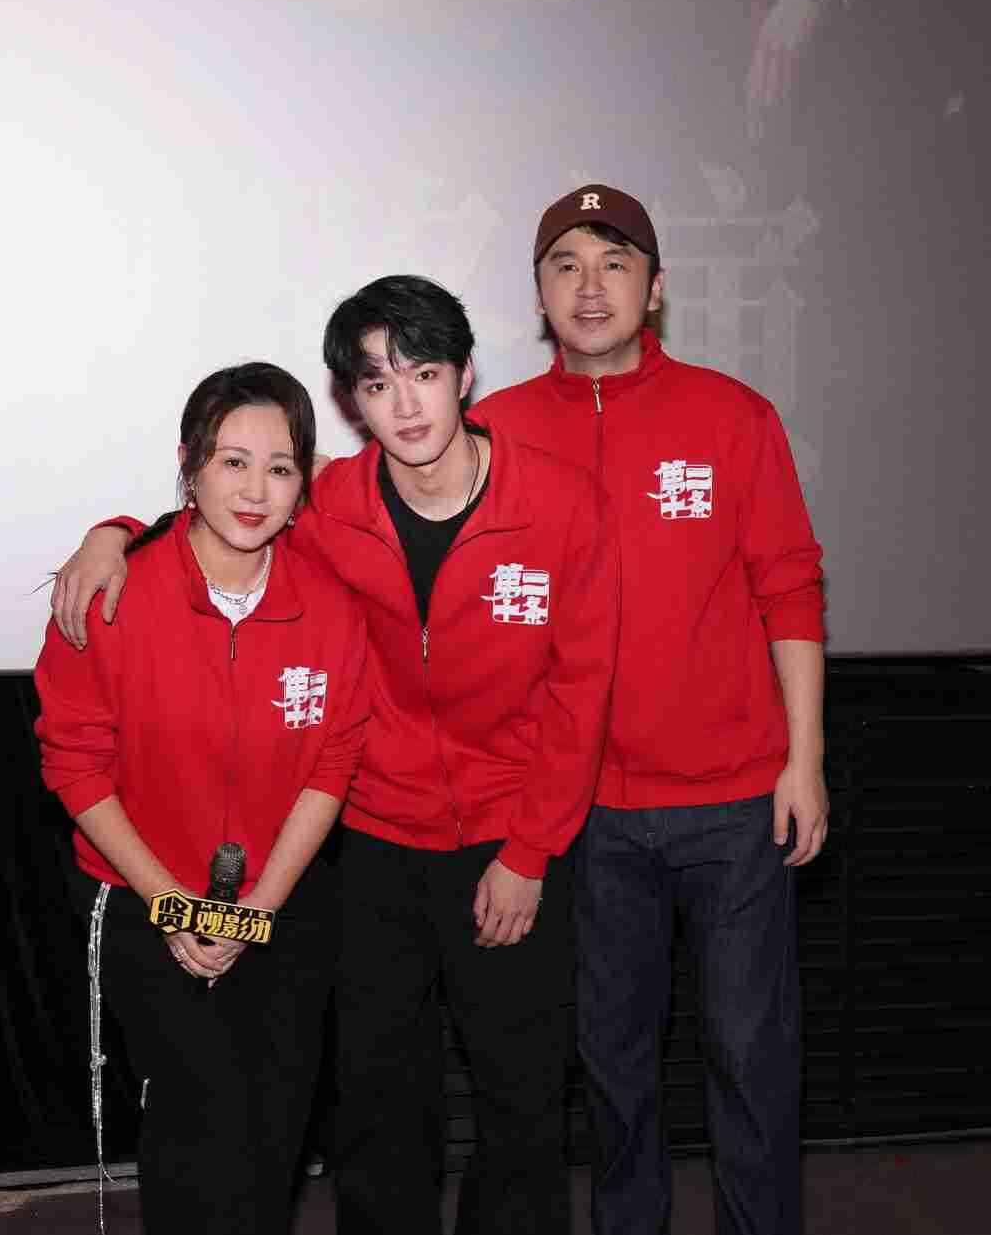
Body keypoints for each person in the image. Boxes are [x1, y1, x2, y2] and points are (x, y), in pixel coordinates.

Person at [52, 276, 619, 1235]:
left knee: (521, 1098)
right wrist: (109, 535)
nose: (406, 405)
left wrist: (530, 851)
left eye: (424, 373)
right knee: (378, 1102)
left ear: (465, 375)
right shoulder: (329, 505)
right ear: (354, 402)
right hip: (374, 845)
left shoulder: (560, 503)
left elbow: (582, 691)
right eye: (377, 383)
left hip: (512, 839)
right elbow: (219, 509)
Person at [467, 184, 827, 1235]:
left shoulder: (732, 416)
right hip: (583, 816)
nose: (591, 287)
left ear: (656, 288)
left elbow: (791, 590)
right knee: (614, 1071)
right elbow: (342, 510)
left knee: (751, 1060)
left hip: (735, 805)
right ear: (539, 293)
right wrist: (123, 531)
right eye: (567, 265)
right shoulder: (492, 433)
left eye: (615, 264)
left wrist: (804, 762)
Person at [33, 362, 370, 1235]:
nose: (256, 491)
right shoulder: (114, 593)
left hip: (280, 900)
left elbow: (332, 762)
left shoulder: (331, 604)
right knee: (197, 1123)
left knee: (273, 1129)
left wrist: (257, 910)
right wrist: (173, 905)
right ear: (189, 465)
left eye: (280, 468)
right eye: (233, 462)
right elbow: (75, 765)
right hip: (144, 899)